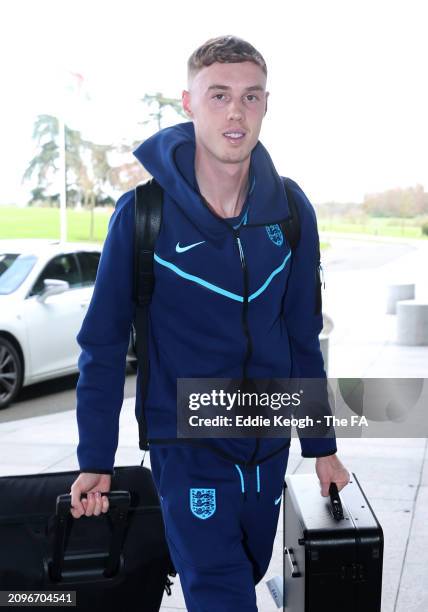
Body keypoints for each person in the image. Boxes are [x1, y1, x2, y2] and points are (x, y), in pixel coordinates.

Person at [70, 35, 350, 611]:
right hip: (187, 444)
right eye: (218, 95)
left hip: (267, 440)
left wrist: (321, 445)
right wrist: (95, 459)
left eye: (250, 97)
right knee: (218, 589)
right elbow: (100, 344)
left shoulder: (292, 212)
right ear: (188, 103)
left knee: (245, 568)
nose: (235, 112)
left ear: (266, 105)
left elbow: (302, 337)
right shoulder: (143, 215)